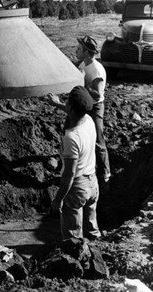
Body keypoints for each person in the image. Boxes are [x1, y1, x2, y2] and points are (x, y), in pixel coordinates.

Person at [49, 35, 111, 192]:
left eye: (79, 49)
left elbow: (97, 94)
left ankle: (105, 175)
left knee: (98, 141)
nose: (76, 50)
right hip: (81, 104)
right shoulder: (84, 63)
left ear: (87, 52)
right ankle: (67, 164)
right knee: (67, 131)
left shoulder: (97, 70)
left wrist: (82, 83)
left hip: (94, 107)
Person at [51, 85, 101, 241]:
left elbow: (69, 173)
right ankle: (98, 251)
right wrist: (58, 104)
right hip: (92, 183)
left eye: (67, 102)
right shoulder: (89, 121)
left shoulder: (72, 137)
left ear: (71, 107)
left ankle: (75, 260)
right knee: (91, 228)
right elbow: (76, 112)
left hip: (77, 188)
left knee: (73, 238)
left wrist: (58, 200)